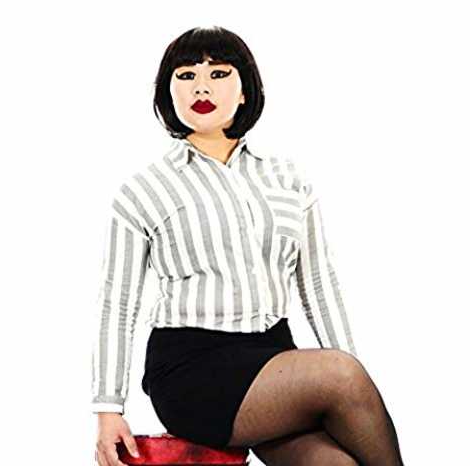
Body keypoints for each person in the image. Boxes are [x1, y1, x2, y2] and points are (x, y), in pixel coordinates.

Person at [92, 25, 404, 466]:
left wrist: (353, 391)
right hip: (191, 368)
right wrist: (108, 408)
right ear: (168, 92)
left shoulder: (287, 179)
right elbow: (117, 302)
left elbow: (318, 282)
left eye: (219, 74)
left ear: (244, 92)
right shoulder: (145, 190)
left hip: (276, 363)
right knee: (339, 373)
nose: (202, 86)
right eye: (186, 75)